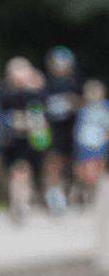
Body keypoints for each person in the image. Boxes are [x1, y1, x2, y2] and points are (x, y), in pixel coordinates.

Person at [0, 56, 48, 222]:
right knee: (15, 171)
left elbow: (40, 112)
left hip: (30, 139)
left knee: (24, 170)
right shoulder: (5, 92)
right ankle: (17, 201)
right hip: (12, 138)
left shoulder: (36, 92)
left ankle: (22, 201)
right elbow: (2, 107)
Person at [41, 46, 83, 213]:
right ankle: (52, 195)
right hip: (51, 129)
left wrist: (75, 102)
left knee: (71, 165)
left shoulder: (76, 83)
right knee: (53, 162)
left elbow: (86, 104)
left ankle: (67, 195)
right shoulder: (45, 83)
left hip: (72, 129)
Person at [76, 79, 108, 203]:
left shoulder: (106, 107)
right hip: (85, 144)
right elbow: (78, 129)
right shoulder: (83, 109)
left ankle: (96, 194)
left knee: (99, 168)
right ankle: (87, 192)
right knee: (87, 170)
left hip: (101, 144)